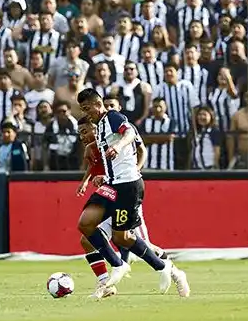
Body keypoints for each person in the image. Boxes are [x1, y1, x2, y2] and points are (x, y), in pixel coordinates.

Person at [75, 88, 189, 299]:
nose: (86, 113)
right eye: (82, 110)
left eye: (87, 108)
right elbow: (103, 160)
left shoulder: (114, 118)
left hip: (128, 186)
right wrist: (93, 176)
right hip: (113, 186)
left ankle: (171, 270)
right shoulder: (100, 129)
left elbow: (130, 136)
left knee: (130, 239)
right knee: (86, 227)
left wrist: (119, 147)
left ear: (98, 104)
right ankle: (113, 272)